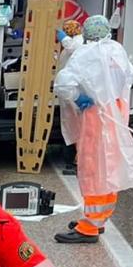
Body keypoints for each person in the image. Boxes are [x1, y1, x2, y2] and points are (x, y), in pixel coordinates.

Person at [53, 14, 133, 244]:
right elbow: (132, 75)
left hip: (96, 117)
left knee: (93, 168)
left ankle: (90, 226)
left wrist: (79, 97)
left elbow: (63, 84)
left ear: (86, 34)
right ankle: (100, 218)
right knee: (109, 168)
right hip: (116, 114)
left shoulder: (86, 54)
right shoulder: (116, 50)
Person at [55, 18, 84, 174]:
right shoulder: (70, 46)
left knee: (77, 127)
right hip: (68, 92)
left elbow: (73, 48)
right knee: (71, 127)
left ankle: (77, 161)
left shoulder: (78, 43)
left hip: (74, 91)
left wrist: (63, 38)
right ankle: (73, 160)